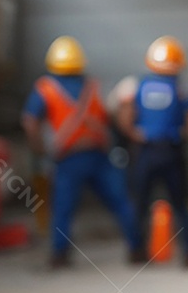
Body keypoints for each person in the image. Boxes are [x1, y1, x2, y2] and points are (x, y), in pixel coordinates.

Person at [21, 36, 143, 269]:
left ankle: (60, 255)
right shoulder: (92, 86)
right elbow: (109, 116)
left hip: (69, 159)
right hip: (98, 155)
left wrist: (40, 149)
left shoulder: (46, 88)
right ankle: (137, 248)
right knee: (121, 201)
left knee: (63, 208)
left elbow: (29, 121)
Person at [117, 36, 188, 267]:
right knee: (181, 204)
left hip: (145, 152)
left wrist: (137, 134)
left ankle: (136, 251)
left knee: (139, 203)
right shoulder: (182, 90)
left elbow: (125, 118)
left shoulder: (136, 86)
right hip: (172, 152)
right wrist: (181, 137)